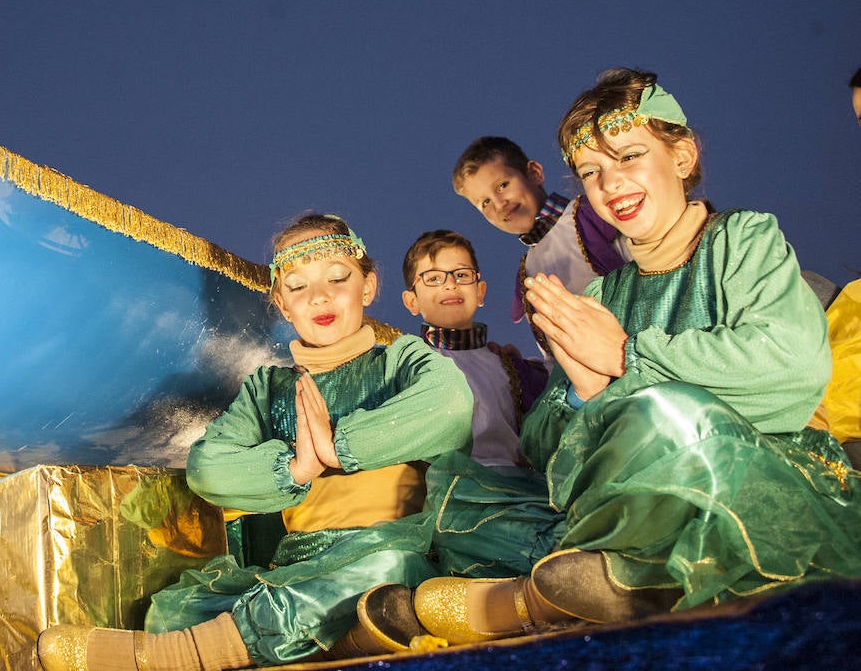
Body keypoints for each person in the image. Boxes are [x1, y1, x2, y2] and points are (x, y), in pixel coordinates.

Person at [363, 69, 861, 645]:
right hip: (619, 491)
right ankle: (611, 576)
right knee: (459, 491)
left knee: (662, 417)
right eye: (592, 172)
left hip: (749, 473)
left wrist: (626, 357)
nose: (610, 184)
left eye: (628, 157)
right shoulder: (602, 294)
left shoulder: (742, 240)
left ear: (682, 155)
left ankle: (543, 596)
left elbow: (794, 368)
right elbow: (545, 444)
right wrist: (581, 389)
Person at [36, 214, 473, 670]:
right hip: (295, 563)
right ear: (283, 306)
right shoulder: (268, 388)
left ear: (368, 287)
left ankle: (178, 657)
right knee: (175, 608)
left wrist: (339, 447)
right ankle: (347, 641)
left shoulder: (400, 360)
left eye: (338, 278)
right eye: (298, 287)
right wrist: (296, 469)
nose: (319, 296)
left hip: (385, 549)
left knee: (385, 575)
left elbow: (451, 406)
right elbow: (208, 467)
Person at [451, 136, 625, 355]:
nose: (499, 204)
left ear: (534, 173)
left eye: (503, 185)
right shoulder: (528, 272)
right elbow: (552, 355)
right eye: (485, 202)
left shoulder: (591, 212)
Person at [401, 229, 546, 468]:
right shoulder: (408, 366)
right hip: (449, 489)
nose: (450, 284)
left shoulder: (510, 367)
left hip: (521, 489)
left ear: (480, 292)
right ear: (411, 301)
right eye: (434, 278)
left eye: (461, 274)